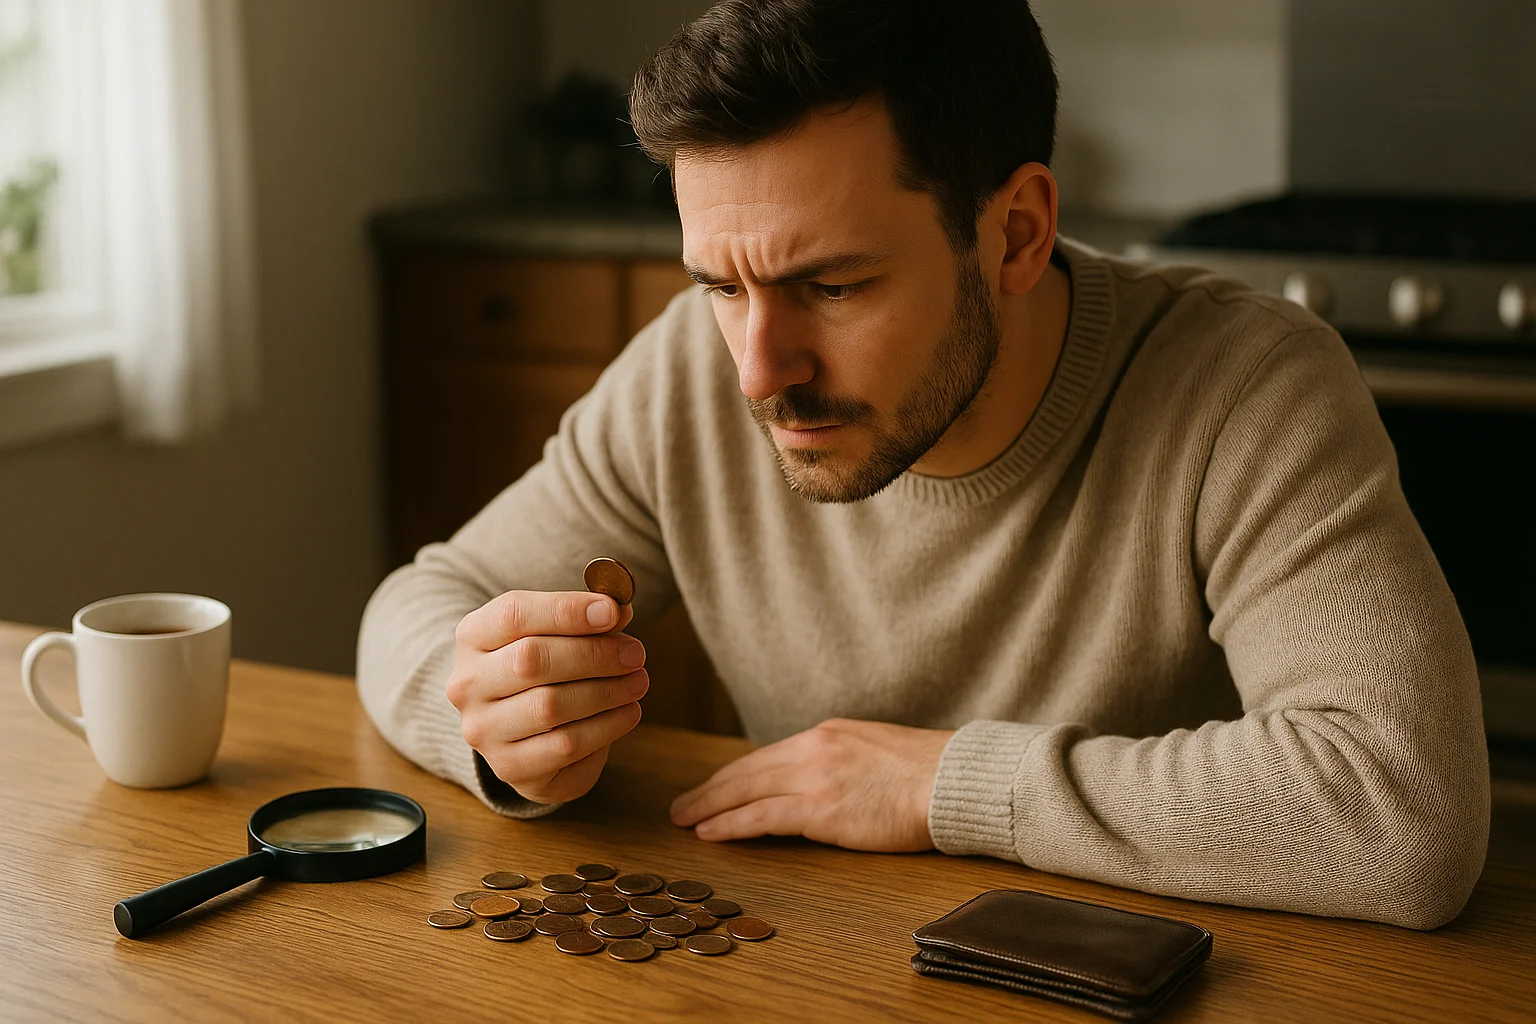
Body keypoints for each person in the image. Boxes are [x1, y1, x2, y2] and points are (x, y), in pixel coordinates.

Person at [356, 0, 1489, 930]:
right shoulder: (682, 379)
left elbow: (1404, 813)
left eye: (834, 286)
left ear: (1017, 234)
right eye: (720, 285)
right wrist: (499, 733)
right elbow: (417, 602)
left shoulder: (1249, 387)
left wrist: (943, 785)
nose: (758, 370)